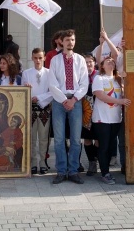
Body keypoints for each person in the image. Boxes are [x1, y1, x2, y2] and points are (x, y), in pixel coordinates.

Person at [48, 29, 89, 184]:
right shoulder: (55, 60)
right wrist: (64, 100)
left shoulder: (80, 60)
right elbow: (52, 83)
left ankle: (73, 171)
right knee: (59, 139)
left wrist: (74, 100)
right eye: (67, 40)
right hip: (59, 102)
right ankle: (61, 171)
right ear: (61, 42)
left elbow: (84, 83)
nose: (70, 42)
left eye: (72, 40)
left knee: (76, 139)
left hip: (76, 101)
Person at [92, 57, 130, 184]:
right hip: (102, 118)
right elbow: (100, 95)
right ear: (102, 65)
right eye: (107, 61)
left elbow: (124, 94)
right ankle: (105, 173)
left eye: (113, 61)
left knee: (110, 146)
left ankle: (106, 170)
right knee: (104, 146)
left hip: (115, 118)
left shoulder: (118, 79)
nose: (111, 62)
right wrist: (119, 101)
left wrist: (124, 79)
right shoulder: (99, 78)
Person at [22, 48, 52, 175]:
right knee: (32, 137)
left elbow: (53, 92)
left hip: (45, 108)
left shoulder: (50, 73)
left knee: (44, 138)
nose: (38, 60)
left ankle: (43, 163)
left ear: (44, 58)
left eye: (40, 58)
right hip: (31, 109)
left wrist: (39, 98)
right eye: (35, 58)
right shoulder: (26, 73)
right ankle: (33, 163)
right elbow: (22, 91)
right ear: (32, 58)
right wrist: (28, 93)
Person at [81, 53, 99, 176]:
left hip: (98, 111)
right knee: (87, 138)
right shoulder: (81, 76)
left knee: (98, 138)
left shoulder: (99, 75)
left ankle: (97, 160)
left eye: (90, 62)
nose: (88, 64)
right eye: (86, 62)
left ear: (94, 62)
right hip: (85, 111)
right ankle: (91, 162)